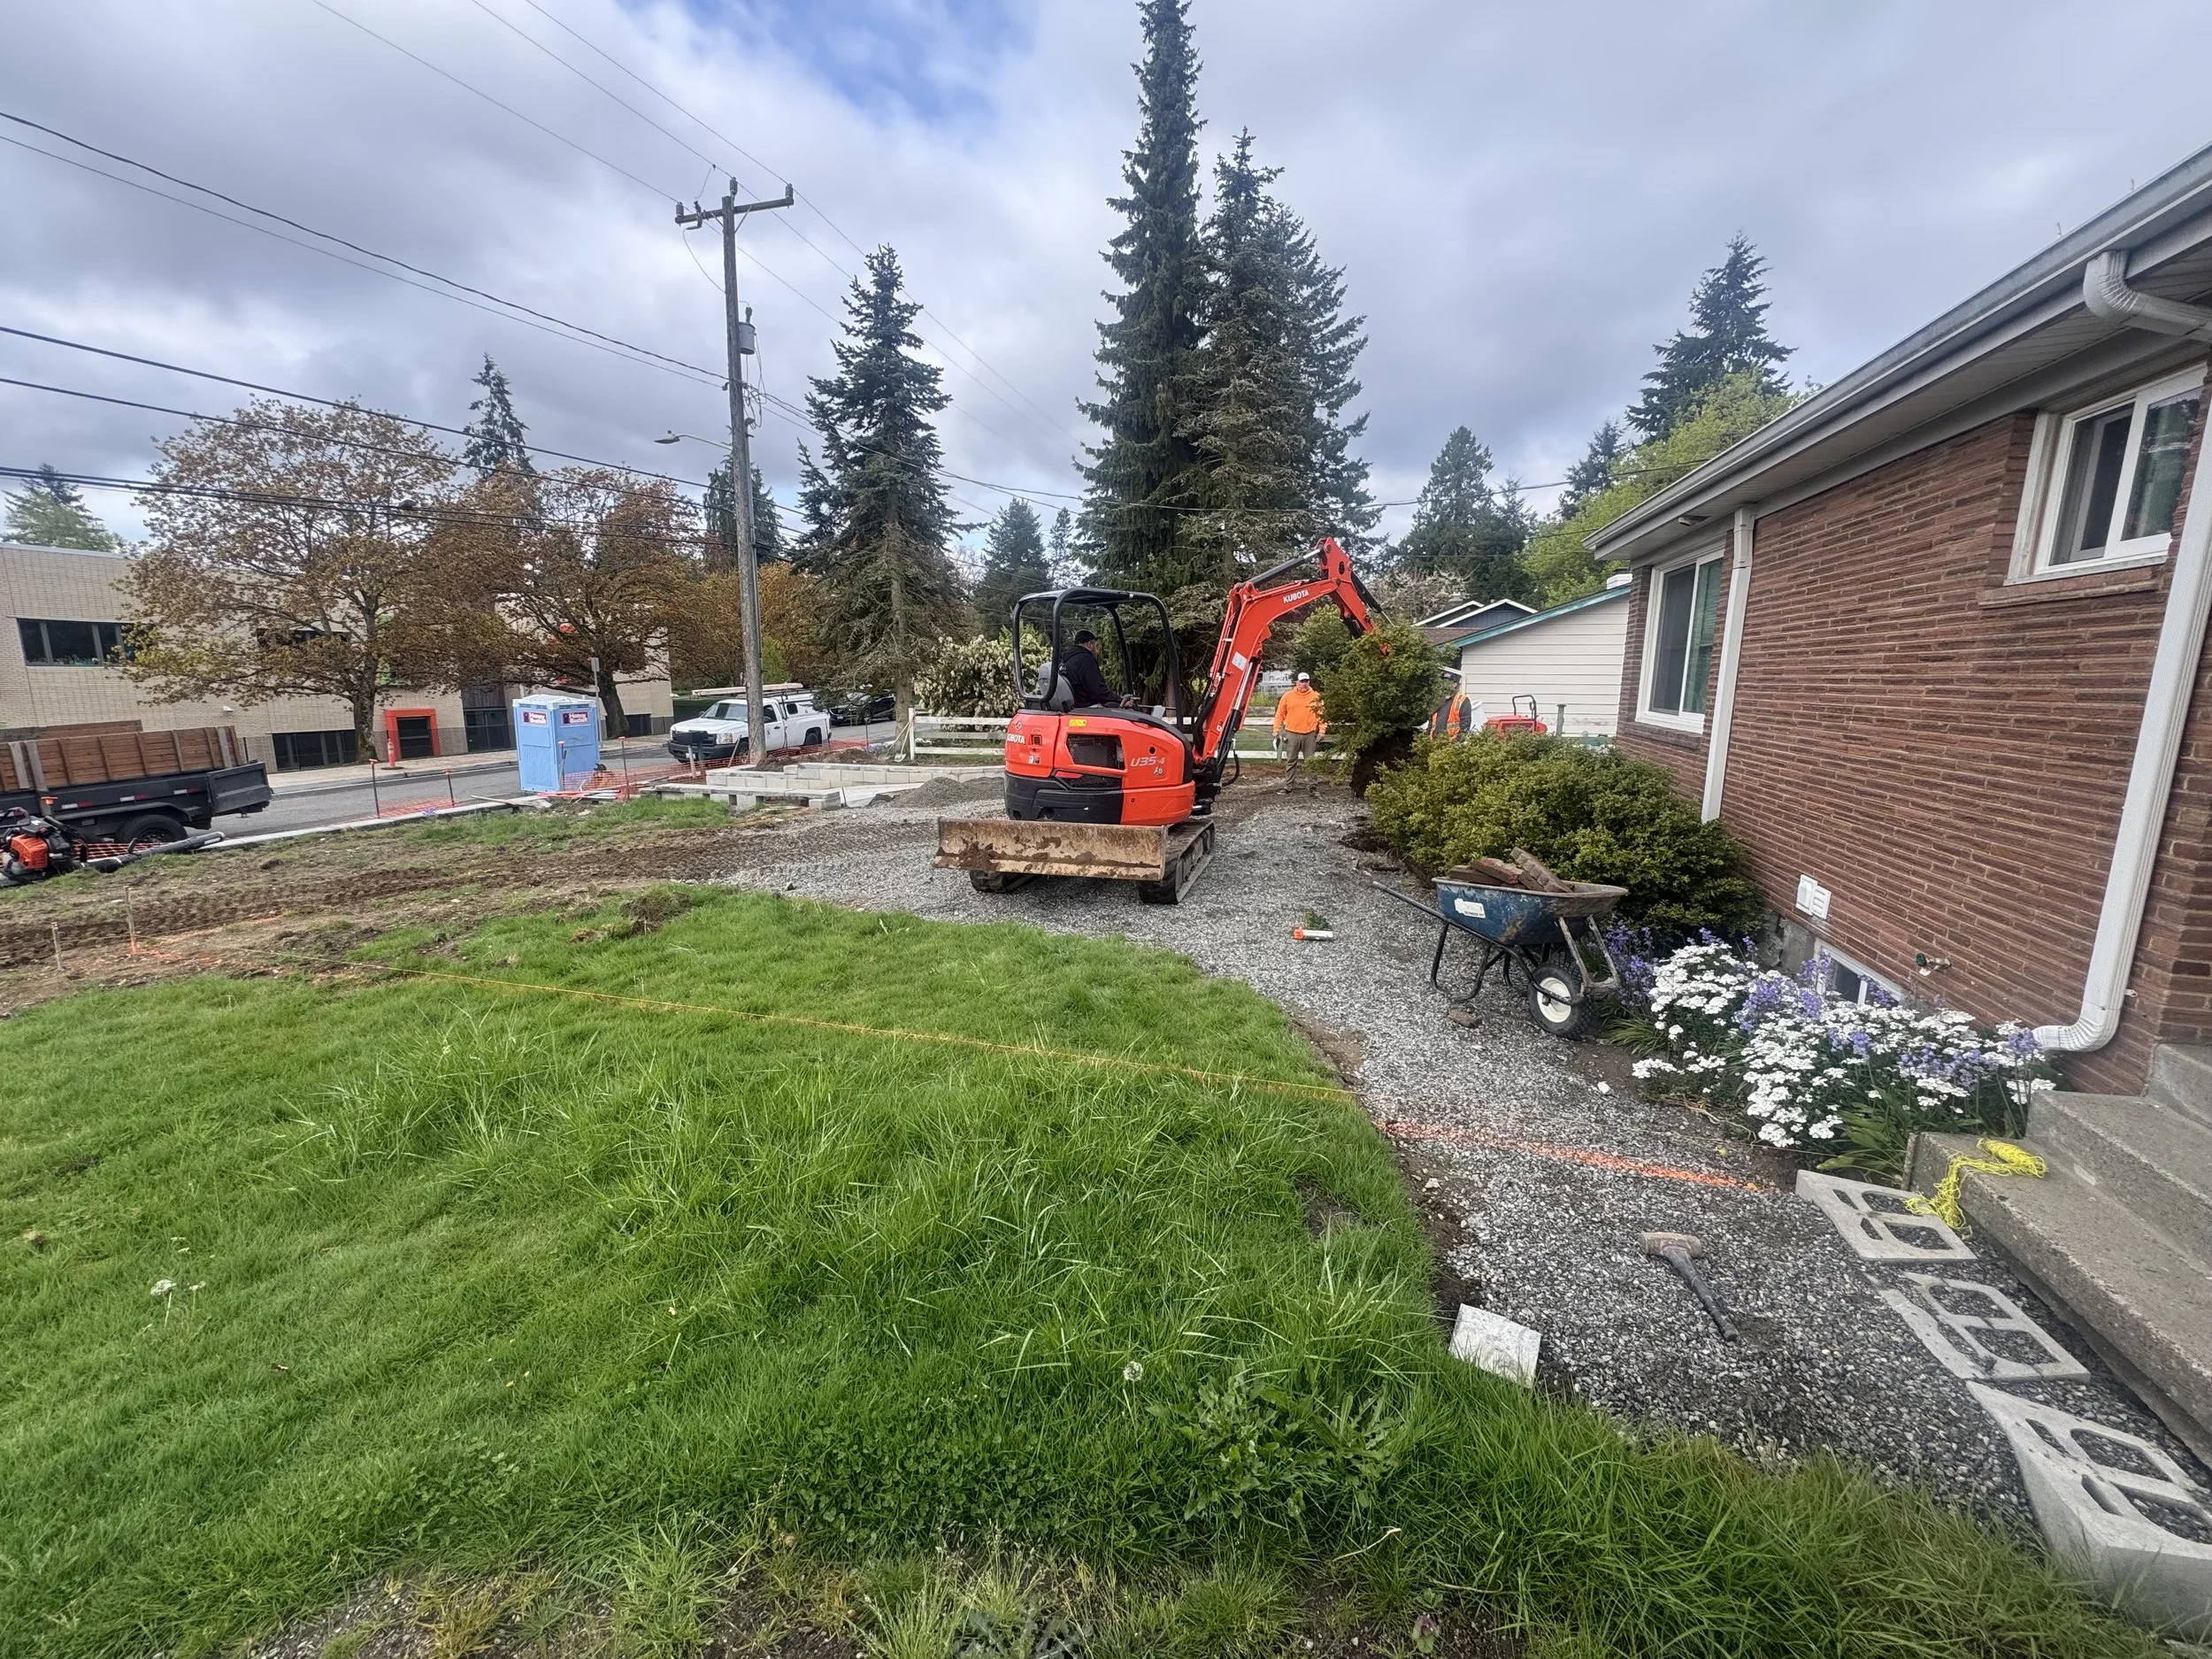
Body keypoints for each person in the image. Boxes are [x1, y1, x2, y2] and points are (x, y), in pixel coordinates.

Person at [1272, 671, 1326, 793]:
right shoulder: (1287, 696)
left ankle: (1312, 786)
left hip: (1310, 733)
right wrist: (1276, 730)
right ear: (1297, 682)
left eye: (1306, 681)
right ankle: (1288, 786)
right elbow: (1279, 715)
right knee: (1291, 761)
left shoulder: (1316, 697)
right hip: (1292, 733)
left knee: (1311, 761)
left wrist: (1322, 731)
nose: (1304, 684)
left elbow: (1321, 715)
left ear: (1309, 682)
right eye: (1302, 681)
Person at [1062, 629, 1118, 708]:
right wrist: (1119, 699)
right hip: (1087, 707)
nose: (1097, 651)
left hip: (1075, 706)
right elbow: (1098, 692)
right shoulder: (1086, 660)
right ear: (1090, 644)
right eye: (1096, 646)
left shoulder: (1068, 660)